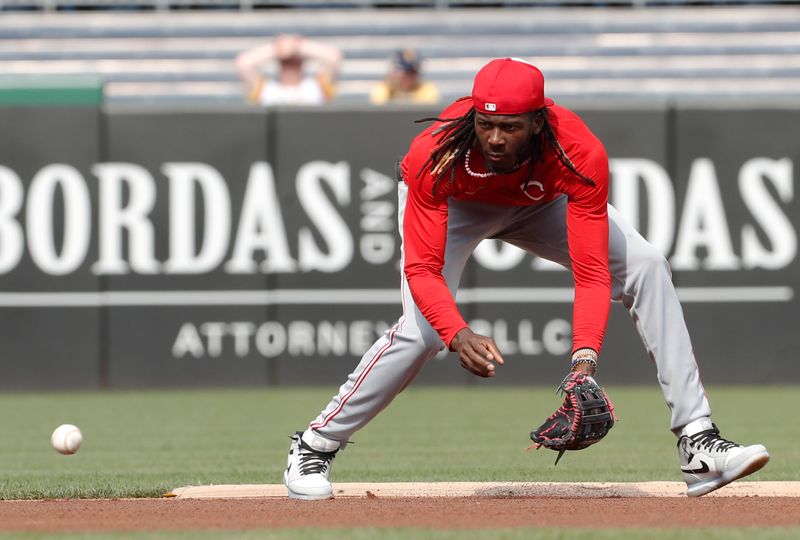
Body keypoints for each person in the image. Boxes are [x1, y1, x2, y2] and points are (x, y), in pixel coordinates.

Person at [283, 57, 769, 500]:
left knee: (646, 265)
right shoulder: (436, 153)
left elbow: (594, 272)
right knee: (421, 332)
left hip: (541, 203)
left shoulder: (577, 151)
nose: (495, 138)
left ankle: (697, 442)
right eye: (486, 123)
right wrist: (456, 332)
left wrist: (584, 361)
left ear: (538, 121)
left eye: (510, 127)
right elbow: (422, 271)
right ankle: (314, 445)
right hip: (456, 206)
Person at [235, 34, 342, 106]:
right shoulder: (265, 90)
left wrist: (297, 47)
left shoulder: (317, 87)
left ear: (302, 62)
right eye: (285, 62)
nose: (290, 67)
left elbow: (333, 57)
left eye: (295, 61)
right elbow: (244, 63)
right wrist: (278, 48)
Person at [369, 49, 440, 105]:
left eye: (412, 73)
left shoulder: (426, 89)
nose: (408, 77)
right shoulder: (384, 89)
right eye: (405, 73)